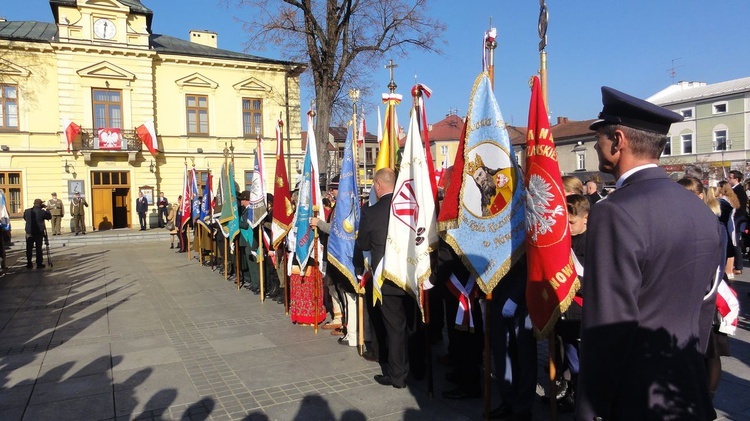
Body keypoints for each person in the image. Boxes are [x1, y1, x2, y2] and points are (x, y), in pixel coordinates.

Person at [576, 86, 723, 420]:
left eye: (598, 136)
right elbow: (704, 308)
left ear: (617, 140)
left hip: (634, 400)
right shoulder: (700, 210)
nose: (596, 144)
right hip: (685, 392)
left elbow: (609, 326)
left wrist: (590, 409)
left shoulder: (615, 212)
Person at [357, 168, 424, 389]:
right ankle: (418, 369)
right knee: (413, 326)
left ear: (377, 185)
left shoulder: (371, 212)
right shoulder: (411, 208)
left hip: (386, 280)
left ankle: (397, 376)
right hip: (410, 275)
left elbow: (364, 245)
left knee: (395, 328)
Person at [727, 170, 747, 275]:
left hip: (736, 220)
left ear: (736, 179)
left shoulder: (738, 191)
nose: (728, 179)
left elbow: (738, 207)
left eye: (730, 178)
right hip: (736, 219)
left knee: (736, 243)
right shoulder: (735, 190)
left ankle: (738, 266)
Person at [24, 199, 51, 269]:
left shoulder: (27, 211)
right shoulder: (42, 212)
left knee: (29, 248)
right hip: (39, 233)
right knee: (38, 248)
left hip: (29, 232)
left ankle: (29, 263)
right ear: (40, 204)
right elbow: (49, 216)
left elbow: (25, 218)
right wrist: (47, 209)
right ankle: (39, 263)